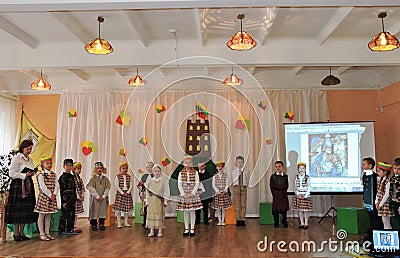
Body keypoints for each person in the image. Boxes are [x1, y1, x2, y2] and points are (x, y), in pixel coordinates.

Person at [5, 139, 38, 241]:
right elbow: (11, 173)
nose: (29, 150)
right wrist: (24, 175)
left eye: (30, 149)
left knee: (25, 209)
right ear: (22, 148)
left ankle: (22, 233)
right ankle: (16, 233)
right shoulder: (17, 158)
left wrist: (33, 173)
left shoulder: (30, 160)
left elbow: (31, 173)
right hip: (18, 185)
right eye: (27, 149)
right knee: (17, 209)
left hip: (28, 185)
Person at [177, 156, 203, 237]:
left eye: (190, 162)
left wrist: (192, 193)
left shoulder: (195, 173)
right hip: (184, 195)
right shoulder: (181, 173)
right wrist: (183, 194)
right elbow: (179, 184)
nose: (188, 164)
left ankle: (192, 228)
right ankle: (186, 228)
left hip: (192, 194)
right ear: (184, 164)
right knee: (186, 212)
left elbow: (197, 183)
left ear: (192, 163)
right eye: (186, 163)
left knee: (192, 211)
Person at [34, 156, 58, 241]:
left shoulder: (54, 174)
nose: (49, 165)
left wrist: (54, 194)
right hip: (44, 197)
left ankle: (47, 232)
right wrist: (49, 194)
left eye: (50, 163)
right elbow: (43, 187)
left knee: (48, 216)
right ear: (42, 164)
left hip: (52, 197)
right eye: (47, 163)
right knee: (42, 215)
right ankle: (42, 233)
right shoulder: (40, 175)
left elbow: (57, 185)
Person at [144, 164, 170, 237]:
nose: (157, 173)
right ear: (153, 172)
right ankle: (151, 230)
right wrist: (147, 201)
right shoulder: (149, 181)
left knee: (159, 215)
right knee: (151, 214)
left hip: (159, 200)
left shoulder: (164, 181)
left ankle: (160, 230)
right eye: (155, 171)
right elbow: (147, 192)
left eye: (158, 171)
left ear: (160, 172)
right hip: (152, 200)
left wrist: (165, 201)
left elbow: (166, 191)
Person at [362, 157, 383, 240]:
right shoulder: (364, 175)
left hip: (374, 203)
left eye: (364, 165)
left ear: (370, 166)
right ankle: (371, 236)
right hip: (367, 202)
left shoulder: (375, 177)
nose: (362, 166)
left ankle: (377, 237)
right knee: (371, 219)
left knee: (376, 220)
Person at [86, 161, 111, 231]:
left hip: (103, 198)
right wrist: (97, 196)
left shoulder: (105, 179)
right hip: (95, 199)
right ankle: (94, 224)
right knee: (94, 210)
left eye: (101, 168)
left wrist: (103, 196)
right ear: (95, 169)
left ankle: (101, 223)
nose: (99, 170)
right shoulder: (93, 179)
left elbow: (107, 187)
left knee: (102, 211)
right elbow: (91, 188)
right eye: (98, 168)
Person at [58, 158, 78, 236]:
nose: (69, 167)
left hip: (72, 198)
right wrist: (64, 201)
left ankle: (70, 229)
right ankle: (61, 230)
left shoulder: (72, 177)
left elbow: (74, 188)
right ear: (64, 166)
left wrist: (75, 198)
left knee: (72, 214)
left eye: (70, 166)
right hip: (66, 198)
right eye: (67, 165)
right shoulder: (62, 177)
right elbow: (62, 190)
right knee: (64, 214)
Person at [292, 162, 312, 229]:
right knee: (300, 210)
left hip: (305, 196)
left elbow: (309, 187)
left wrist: (306, 195)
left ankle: (306, 223)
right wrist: (297, 194)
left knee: (305, 211)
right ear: (298, 169)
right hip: (299, 195)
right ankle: (302, 223)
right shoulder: (296, 177)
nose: (301, 169)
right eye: (300, 168)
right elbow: (295, 187)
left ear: (305, 169)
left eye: (303, 168)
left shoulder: (307, 177)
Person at [211, 161, 232, 226]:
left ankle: (223, 221)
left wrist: (224, 191)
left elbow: (227, 184)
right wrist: (218, 192)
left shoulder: (225, 175)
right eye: (219, 166)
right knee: (218, 208)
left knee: (223, 208)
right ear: (216, 167)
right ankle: (219, 221)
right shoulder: (214, 176)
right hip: (218, 194)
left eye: (221, 167)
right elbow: (213, 185)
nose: (220, 168)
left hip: (224, 194)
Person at [113, 162, 134, 228]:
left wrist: (128, 192)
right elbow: (117, 186)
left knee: (126, 210)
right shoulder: (117, 176)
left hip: (127, 194)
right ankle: (119, 223)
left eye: (126, 168)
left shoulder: (129, 177)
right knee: (118, 210)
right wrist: (122, 193)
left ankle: (126, 222)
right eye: (123, 168)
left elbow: (131, 185)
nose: (125, 169)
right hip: (120, 194)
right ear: (120, 169)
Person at [231, 156, 249, 226]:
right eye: (238, 162)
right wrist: (236, 187)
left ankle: (243, 219)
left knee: (243, 204)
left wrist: (244, 186)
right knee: (237, 205)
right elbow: (233, 181)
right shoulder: (234, 172)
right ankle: (238, 219)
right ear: (236, 163)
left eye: (241, 162)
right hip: (236, 188)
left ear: (243, 163)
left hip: (243, 188)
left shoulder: (246, 171)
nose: (240, 164)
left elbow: (247, 180)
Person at [270, 160, 289, 228]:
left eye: (279, 166)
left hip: (283, 194)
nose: (278, 168)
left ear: (282, 167)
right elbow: (271, 187)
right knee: (276, 210)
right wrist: (275, 194)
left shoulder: (285, 176)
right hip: (276, 195)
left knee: (284, 209)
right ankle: (276, 222)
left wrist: (283, 192)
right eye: (276, 167)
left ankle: (284, 221)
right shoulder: (273, 176)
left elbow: (287, 186)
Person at [375, 162, 394, 229]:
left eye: (379, 171)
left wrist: (380, 205)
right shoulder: (380, 180)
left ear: (385, 172)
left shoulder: (388, 181)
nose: (377, 173)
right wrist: (376, 202)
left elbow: (386, 195)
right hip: (380, 203)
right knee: (384, 222)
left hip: (385, 204)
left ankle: (389, 235)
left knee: (386, 222)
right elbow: (378, 192)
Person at [138, 161, 154, 227]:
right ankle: (145, 221)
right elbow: (140, 185)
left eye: (150, 167)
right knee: (145, 207)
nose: (149, 168)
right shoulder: (144, 176)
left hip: (153, 194)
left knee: (152, 208)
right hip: (145, 193)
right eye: (148, 167)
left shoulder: (155, 175)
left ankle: (152, 222)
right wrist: (141, 192)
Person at [72, 161, 85, 233]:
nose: (79, 170)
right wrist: (78, 197)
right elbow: (75, 189)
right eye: (78, 169)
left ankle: (75, 226)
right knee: (74, 213)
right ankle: (73, 226)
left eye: (80, 169)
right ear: (73, 169)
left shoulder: (79, 178)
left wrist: (82, 196)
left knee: (76, 213)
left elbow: (82, 188)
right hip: (75, 199)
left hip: (79, 198)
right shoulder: (73, 178)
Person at [391, 158, 400, 229]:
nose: (396, 171)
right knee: (396, 219)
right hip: (393, 201)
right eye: (395, 168)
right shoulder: (392, 178)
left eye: (399, 169)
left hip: (399, 202)